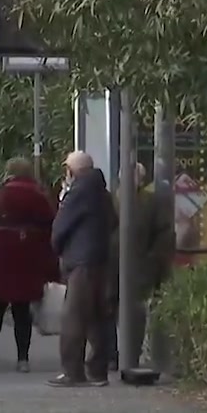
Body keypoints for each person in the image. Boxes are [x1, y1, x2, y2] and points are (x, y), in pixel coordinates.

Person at [0, 157, 58, 372]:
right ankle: (23, 359)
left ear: (9, 171)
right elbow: (52, 223)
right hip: (28, 258)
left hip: (1, 258)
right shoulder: (39, 196)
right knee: (22, 310)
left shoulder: (1, 194)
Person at [49, 151, 115, 387]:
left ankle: (72, 371)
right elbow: (114, 221)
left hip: (80, 260)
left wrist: (57, 247)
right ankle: (98, 371)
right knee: (98, 316)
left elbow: (61, 226)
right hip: (100, 259)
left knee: (73, 317)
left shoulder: (78, 192)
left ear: (71, 170)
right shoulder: (102, 192)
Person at [105, 162, 172, 371]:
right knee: (108, 309)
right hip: (110, 264)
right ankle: (111, 355)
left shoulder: (149, 202)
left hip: (139, 265)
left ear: (141, 180)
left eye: (134, 176)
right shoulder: (109, 199)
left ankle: (130, 357)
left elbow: (163, 234)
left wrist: (152, 260)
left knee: (134, 313)